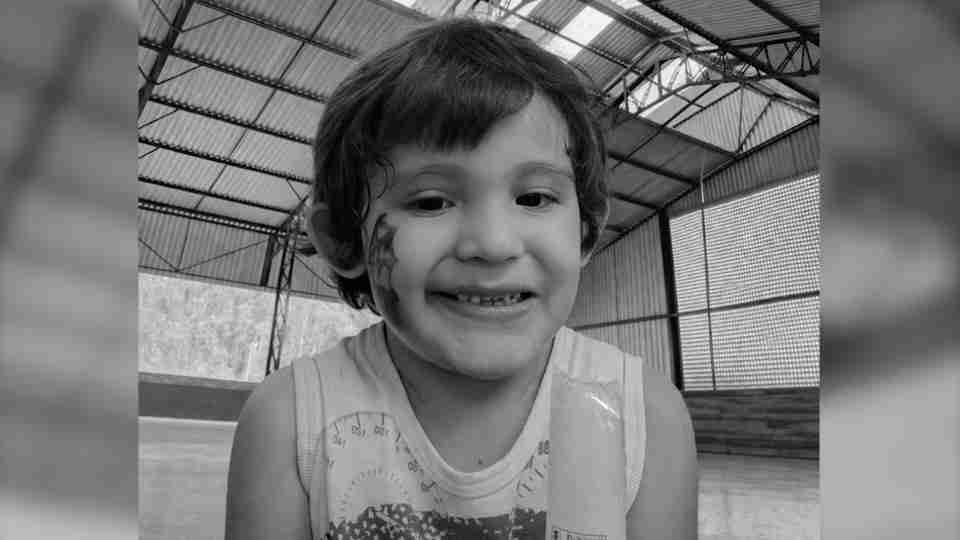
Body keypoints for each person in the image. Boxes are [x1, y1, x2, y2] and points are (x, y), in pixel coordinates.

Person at [225, 17, 697, 540]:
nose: (493, 244)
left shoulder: (645, 418)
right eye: (431, 202)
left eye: (534, 198)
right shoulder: (292, 425)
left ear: (585, 231)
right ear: (342, 238)